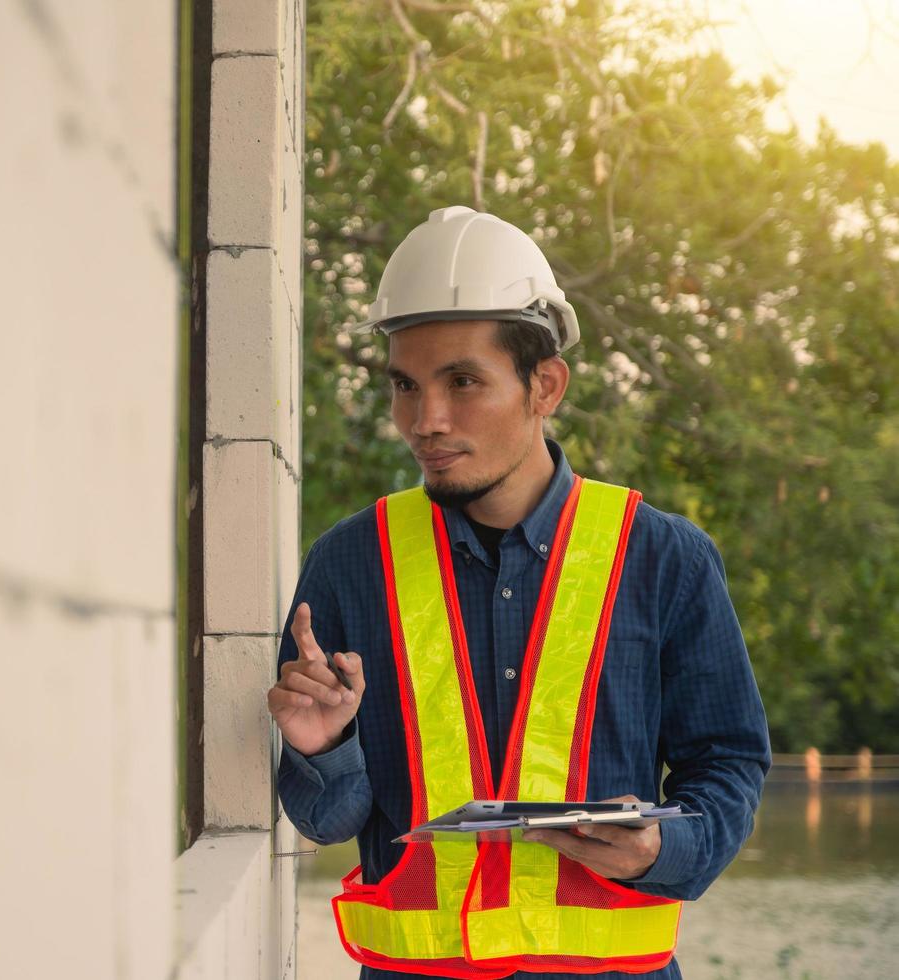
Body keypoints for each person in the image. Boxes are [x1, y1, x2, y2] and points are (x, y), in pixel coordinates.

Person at [268, 205, 770, 979]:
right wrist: (325, 747)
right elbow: (325, 820)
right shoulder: (347, 564)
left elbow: (729, 762)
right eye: (406, 385)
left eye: (462, 382)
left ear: (546, 386)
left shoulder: (666, 559)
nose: (424, 421)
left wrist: (661, 849)